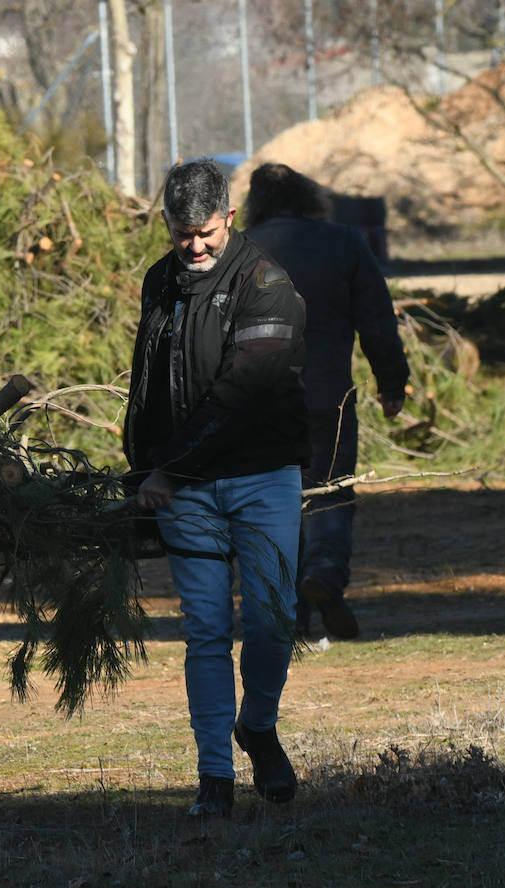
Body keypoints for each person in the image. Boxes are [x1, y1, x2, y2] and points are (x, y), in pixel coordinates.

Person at [123, 158, 307, 819]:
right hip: (184, 491)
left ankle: (257, 724)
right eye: (181, 234)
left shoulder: (268, 284)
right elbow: (146, 385)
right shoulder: (160, 282)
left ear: (228, 218)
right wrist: (142, 470)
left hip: (263, 480)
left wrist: (169, 468)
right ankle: (214, 780)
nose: (194, 247)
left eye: (205, 232)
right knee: (204, 631)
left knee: (271, 619)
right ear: (166, 225)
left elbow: (241, 395)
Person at [243, 163, 409, 640]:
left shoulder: (241, 250)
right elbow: (377, 320)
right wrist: (391, 383)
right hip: (328, 397)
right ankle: (326, 573)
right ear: (308, 197)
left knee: (274, 503)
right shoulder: (344, 242)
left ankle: (289, 611)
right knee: (332, 490)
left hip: (261, 401)